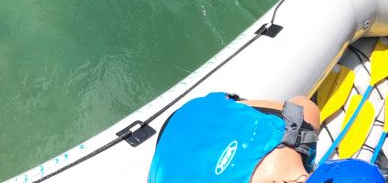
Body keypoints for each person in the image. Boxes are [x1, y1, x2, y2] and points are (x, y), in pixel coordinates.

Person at [148, 91, 383, 183]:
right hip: (159, 168)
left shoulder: (298, 133)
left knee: (301, 112)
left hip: (185, 116)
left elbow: (304, 103)